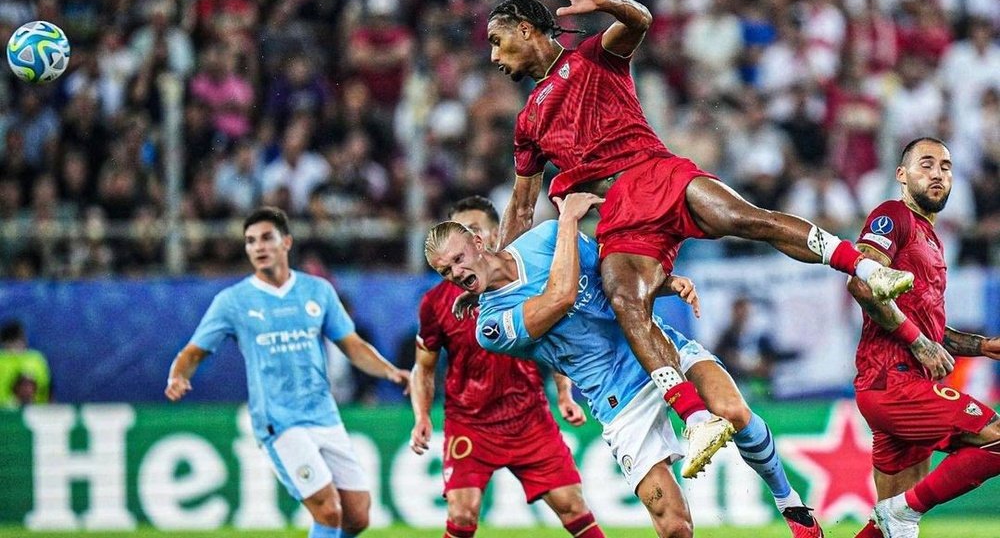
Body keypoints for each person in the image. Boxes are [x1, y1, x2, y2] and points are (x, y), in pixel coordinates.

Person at [485, 0, 914, 451]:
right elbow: (522, 208)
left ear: (526, 29)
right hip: (621, 216)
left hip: (656, 173)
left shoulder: (591, 57)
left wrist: (607, 2)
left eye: (497, 42)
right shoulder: (527, 123)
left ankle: (865, 268)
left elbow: (641, 20)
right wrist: (490, 273)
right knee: (627, 301)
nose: (494, 58)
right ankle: (695, 416)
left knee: (749, 220)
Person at [425, 193, 825, 538]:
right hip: (615, 398)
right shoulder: (490, 326)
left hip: (651, 345)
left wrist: (666, 283)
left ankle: (791, 505)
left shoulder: (542, 241)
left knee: (733, 410)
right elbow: (560, 298)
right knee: (675, 527)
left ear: (478, 242)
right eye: (445, 272)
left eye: (458, 259)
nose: (457, 274)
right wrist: (566, 219)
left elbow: (609, 273)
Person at [165, 206, 409, 538]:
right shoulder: (233, 301)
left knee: (357, 515)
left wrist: (390, 372)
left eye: (267, 238)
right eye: (250, 241)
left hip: (324, 415)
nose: (258, 247)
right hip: (278, 421)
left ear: (287, 242)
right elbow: (194, 351)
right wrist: (178, 375)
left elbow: (352, 344)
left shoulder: (318, 292)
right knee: (327, 509)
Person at [410, 195, 606, 538]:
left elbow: (556, 329)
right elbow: (424, 367)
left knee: (572, 505)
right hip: (470, 421)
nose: (456, 269)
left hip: (528, 414)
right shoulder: (435, 304)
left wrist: (564, 394)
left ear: (484, 236)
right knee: (462, 512)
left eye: (471, 231)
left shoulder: (525, 269)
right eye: (447, 265)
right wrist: (422, 416)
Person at [847, 137, 1000, 538]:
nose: (938, 173)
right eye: (927, 164)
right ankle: (901, 512)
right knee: (997, 439)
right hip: (892, 382)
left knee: (889, 527)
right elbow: (863, 285)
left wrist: (982, 347)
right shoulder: (891, 216)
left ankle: (895, 516)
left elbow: (931, 331)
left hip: (909, 381)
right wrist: (918, 342)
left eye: (946, 167)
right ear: (902, 175)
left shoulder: (930, 237)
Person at [0, 319, 51, 409]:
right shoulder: (2, 360)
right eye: (12, 342)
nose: (26, 390)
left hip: (35, 411)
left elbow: (46, 389)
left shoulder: (36, 359)